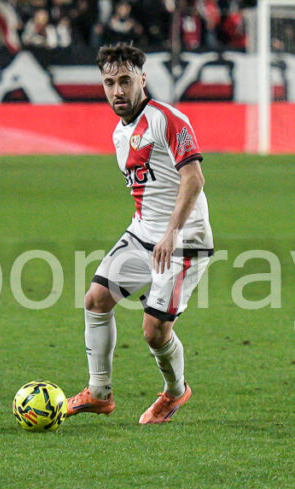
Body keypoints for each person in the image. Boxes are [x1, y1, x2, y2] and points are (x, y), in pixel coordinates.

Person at [66, 43, 213, 424]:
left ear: (142, 79)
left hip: (183, 240)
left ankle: (175, 392)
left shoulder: (168, 119)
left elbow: (194, 179)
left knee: (154, 332)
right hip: (143, 234)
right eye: (109, 83)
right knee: (96, 299)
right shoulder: (120, 133)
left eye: (125, 81)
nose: (117, 91)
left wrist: (171, 232)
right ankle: (99, 392)